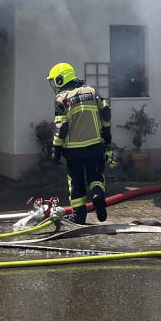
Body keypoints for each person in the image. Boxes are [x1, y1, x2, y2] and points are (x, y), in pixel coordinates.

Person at [46, 62, 111, 224]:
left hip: (73, 150)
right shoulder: (91, 91)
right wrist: (107, 133)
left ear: (61, 79)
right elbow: (106, 111)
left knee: (75, 182)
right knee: (96, 176)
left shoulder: (62, 99)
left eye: (55, 81)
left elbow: (62, 127)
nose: (55, 85)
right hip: (95, 146)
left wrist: (56, 148)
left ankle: (79, 216)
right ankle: (98, 196)